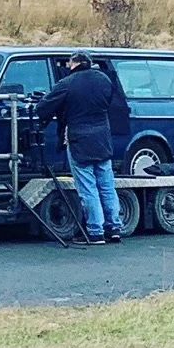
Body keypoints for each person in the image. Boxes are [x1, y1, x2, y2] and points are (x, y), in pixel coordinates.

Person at [35, 51, 132, 244]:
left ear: (73, 63)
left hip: (79, 140)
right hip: (103, 139)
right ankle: (114, 228)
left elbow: (43, 108)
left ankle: (95, 232)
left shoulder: (67, 83)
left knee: (88, 188)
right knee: (106, 186)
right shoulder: (104, 79)